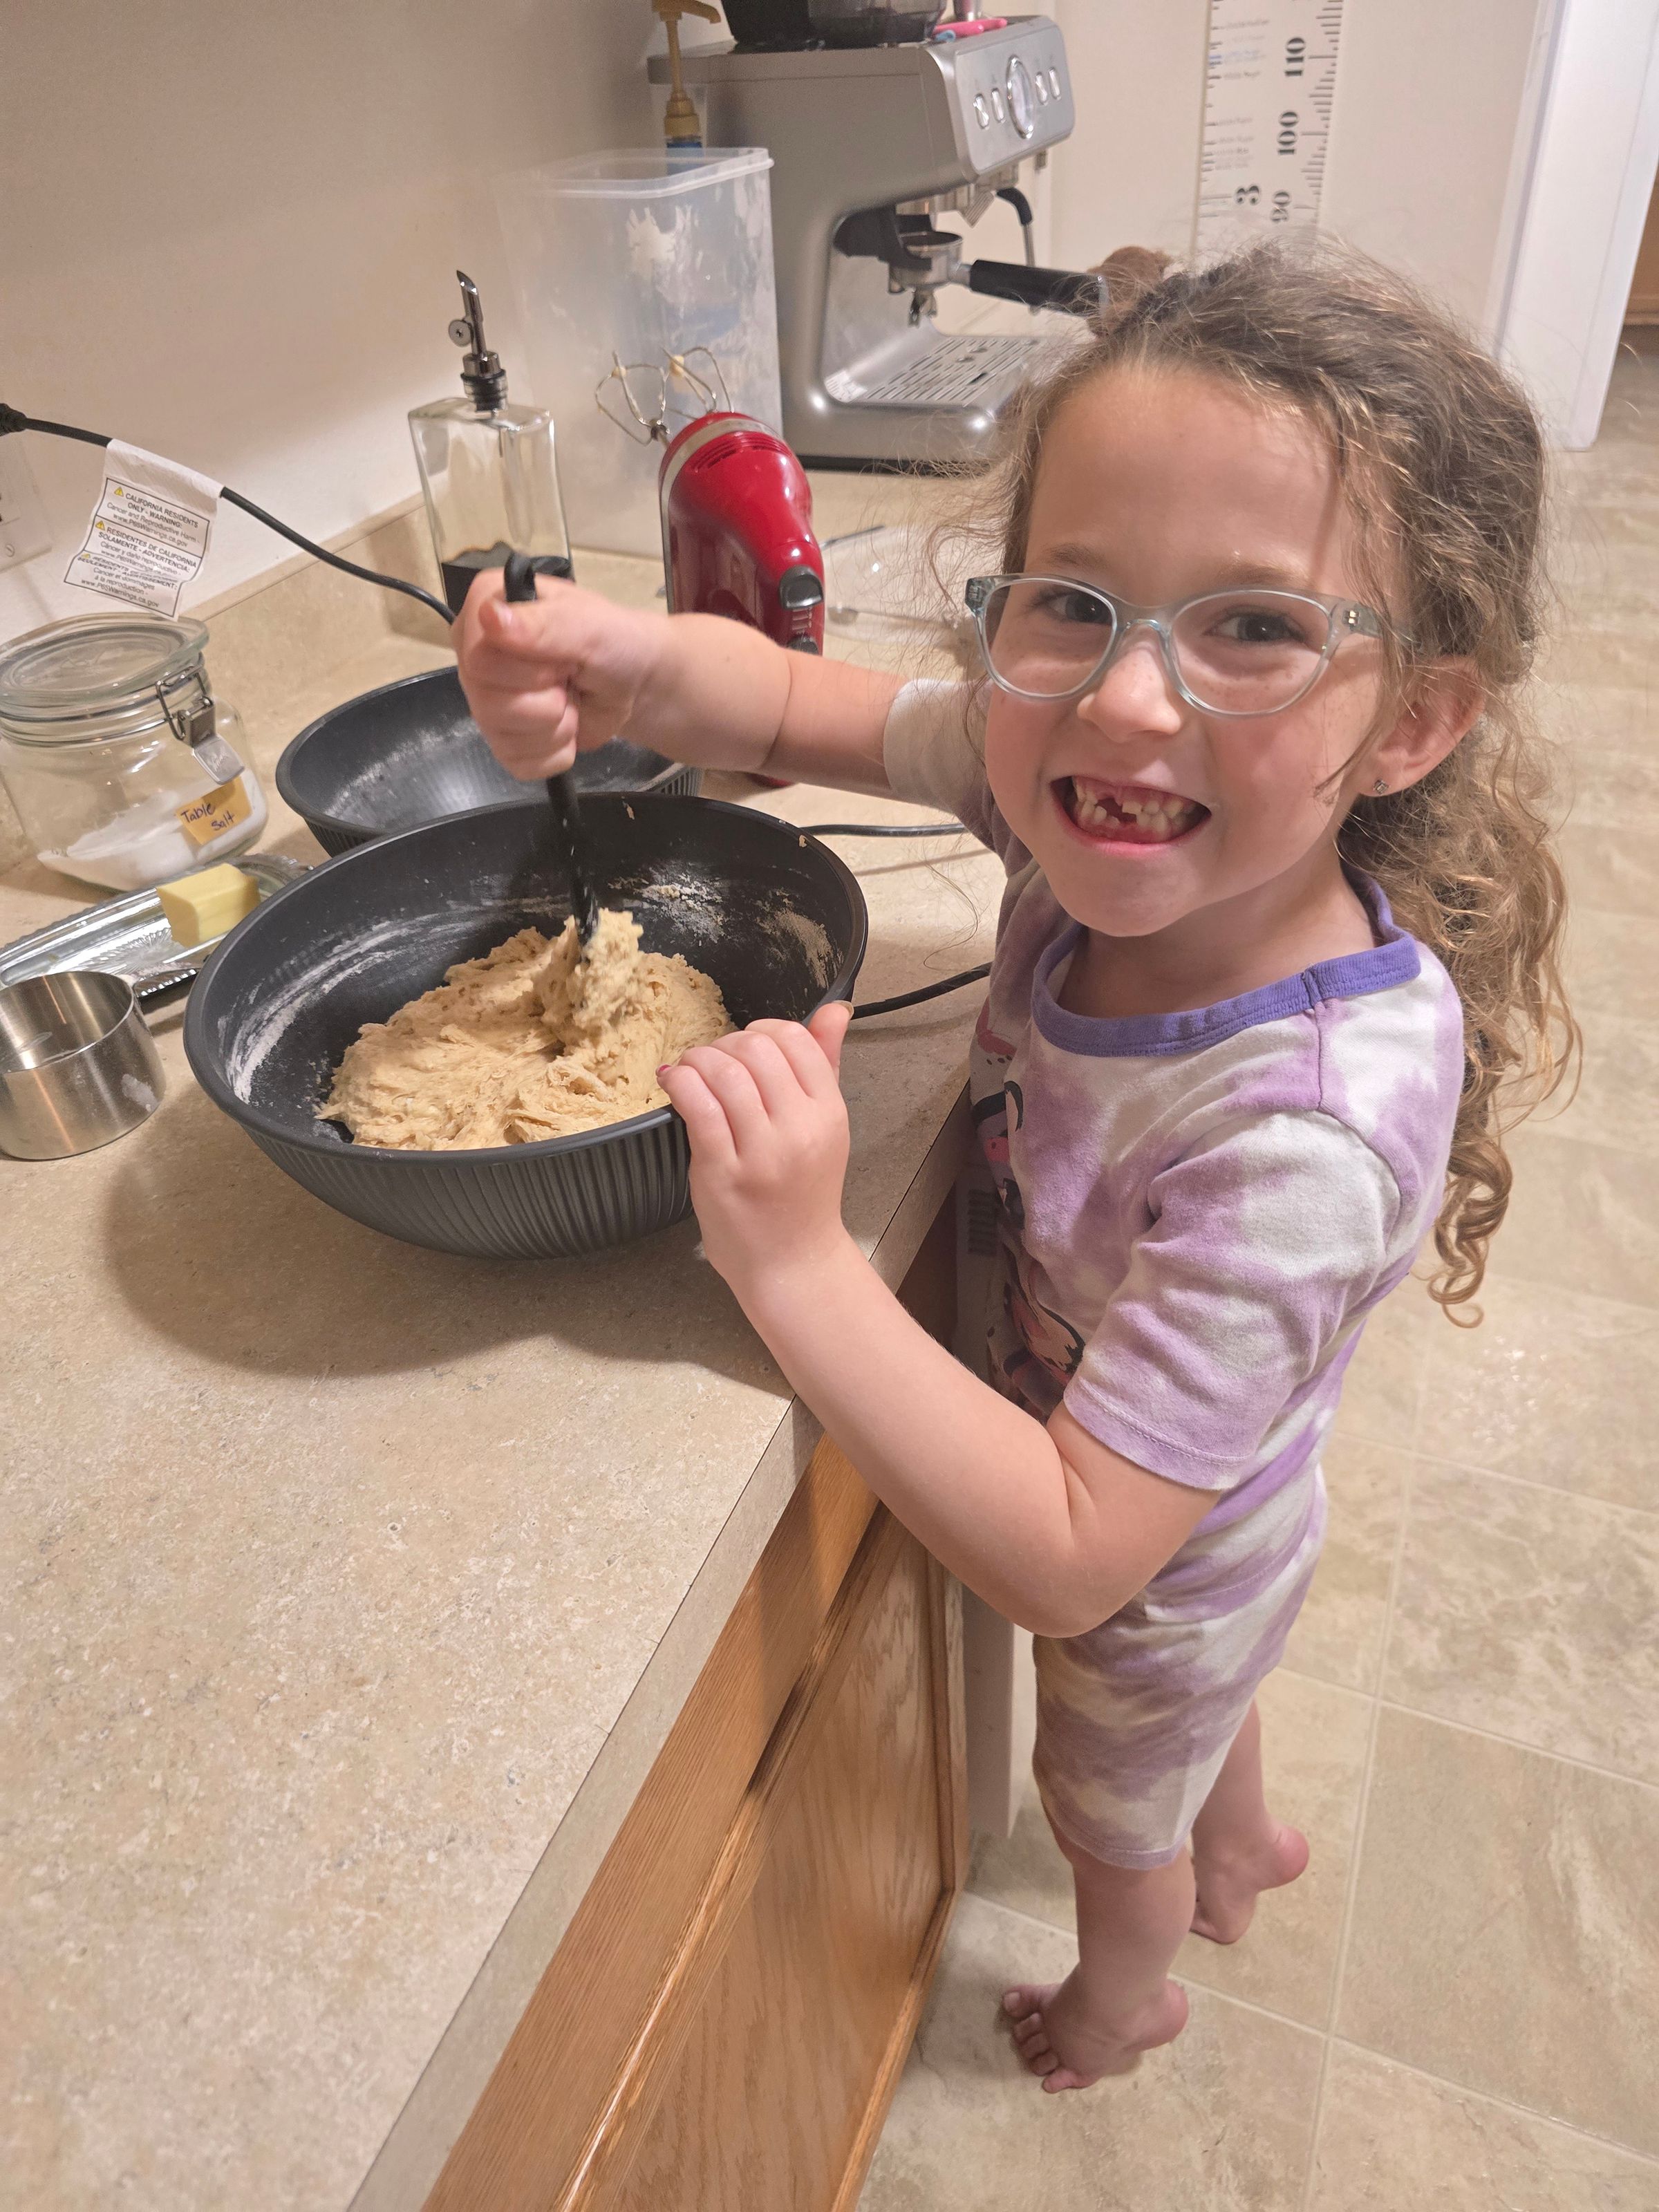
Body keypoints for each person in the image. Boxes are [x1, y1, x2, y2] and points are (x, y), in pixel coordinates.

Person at [453, 245, 1575, 2091]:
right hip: (1213, 1485)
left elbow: (1068, 1558)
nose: (1127, 703)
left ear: (1413, 722)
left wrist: (799, 1265)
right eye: (1073, 603)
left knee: (1111, 1794)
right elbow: (788, 709)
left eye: (1255, 627)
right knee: (1206, 1737)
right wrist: (627, 661)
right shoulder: (1079, 796)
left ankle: (1133, 1992)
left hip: (1161, 1572)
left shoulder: (1291, 1136)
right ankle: (1244, 1843)